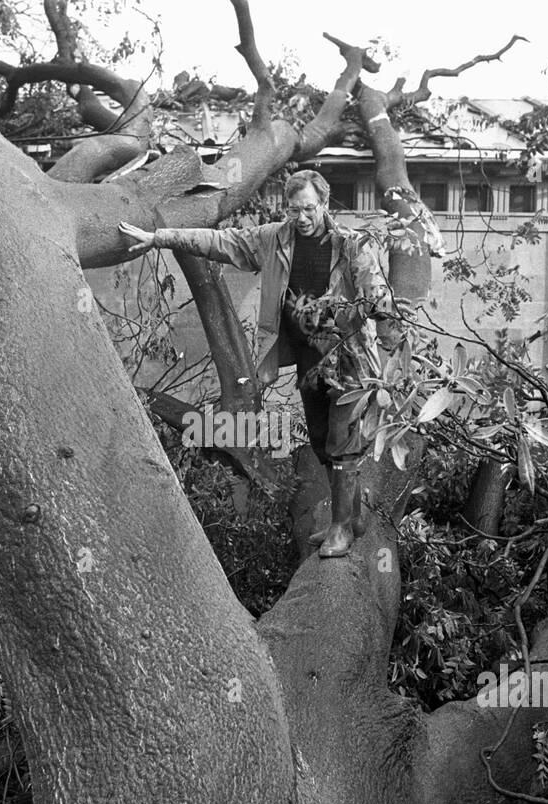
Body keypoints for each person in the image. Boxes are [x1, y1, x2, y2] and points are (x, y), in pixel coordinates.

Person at [118, 169, 400, 558]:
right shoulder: (274, 239)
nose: (301, 218)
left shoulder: (352, 246)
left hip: (348, 361)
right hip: (308, 361)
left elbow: (378, 297)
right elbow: (221, 241)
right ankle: (353, 513)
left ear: (325, 203)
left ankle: (339, 529)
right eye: (294, 209)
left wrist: (394, 353)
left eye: (309, 209)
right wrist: (159, 239)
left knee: (341, 442)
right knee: (319, 441)